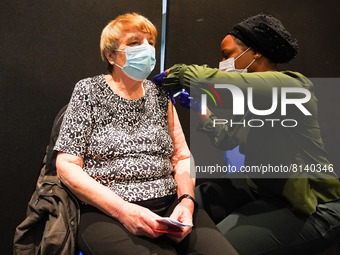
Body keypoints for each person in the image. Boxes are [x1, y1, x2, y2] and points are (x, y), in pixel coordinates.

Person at [155, 14, 340, 255]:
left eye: (227, 55)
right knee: (175, 204)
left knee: (209, 246)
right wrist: (201, 108)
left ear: (255, 52)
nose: (223, 62)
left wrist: (181, 74)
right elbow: (227, 138)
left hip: (314, 207)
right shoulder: (253, 102)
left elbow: (219, 82)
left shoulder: (292, 86)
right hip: (265, 189)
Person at [54, 13, 237, 255]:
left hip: (171, 204)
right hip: (108, 211)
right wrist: (123, 210)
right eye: (134, 42)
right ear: (111, 55)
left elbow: (182, 157)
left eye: (150, 42)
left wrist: (187, 201)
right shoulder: (88, 90)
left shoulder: (161, 94)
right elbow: (66, 165)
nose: (147, 49)